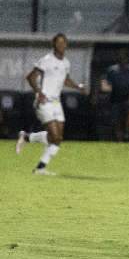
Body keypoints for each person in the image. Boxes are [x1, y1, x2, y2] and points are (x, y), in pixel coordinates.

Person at [15, 33, 88, 175]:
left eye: (63, 42)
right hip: (44, 101)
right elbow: (30, 77)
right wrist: (39, 92)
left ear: (66, 44)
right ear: (54, 45)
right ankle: (27, 140)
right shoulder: (46, 60)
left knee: (57, 139)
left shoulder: (66, 62)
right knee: (55, 136)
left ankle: (39, 165)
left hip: (56, 102)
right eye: (58, 42)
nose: (61, 45)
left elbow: (65, 80)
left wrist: (78, 87)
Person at [101, 49, 129, 141]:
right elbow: (105, 83)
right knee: (116, 119)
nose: (122, 59)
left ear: (127, 59)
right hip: (115, 97)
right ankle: (119, 138)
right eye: (120, 57)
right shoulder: (112, 70)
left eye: (124, 57)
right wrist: (106, 91)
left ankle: (127, 134)